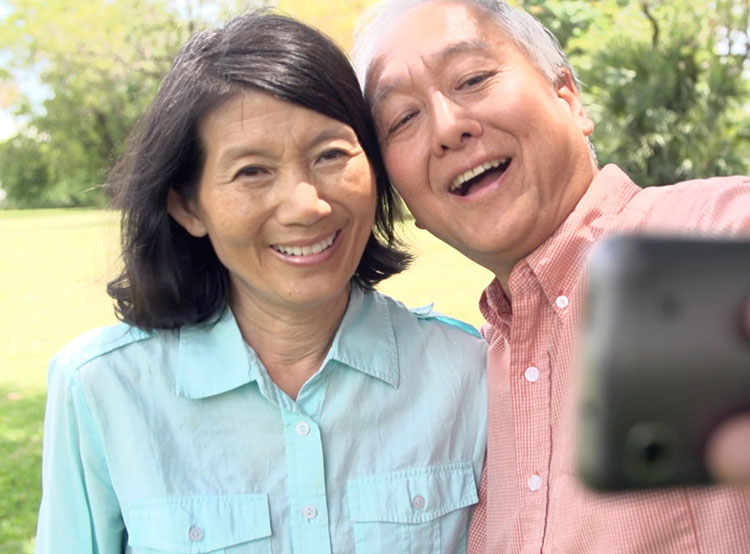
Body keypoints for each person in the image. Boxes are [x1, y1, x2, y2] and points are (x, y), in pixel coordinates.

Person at [35, 10, 488, 554]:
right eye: (252, 171)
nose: (307, 206)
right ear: (187, 205)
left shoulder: (472, 372)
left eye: (331, 155)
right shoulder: (100, 389)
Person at [352, 0, 750, 552]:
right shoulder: (466, 383)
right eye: (403, 119)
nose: (446, 128)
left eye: (471, 79)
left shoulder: (718, 238)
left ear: (568, 96)